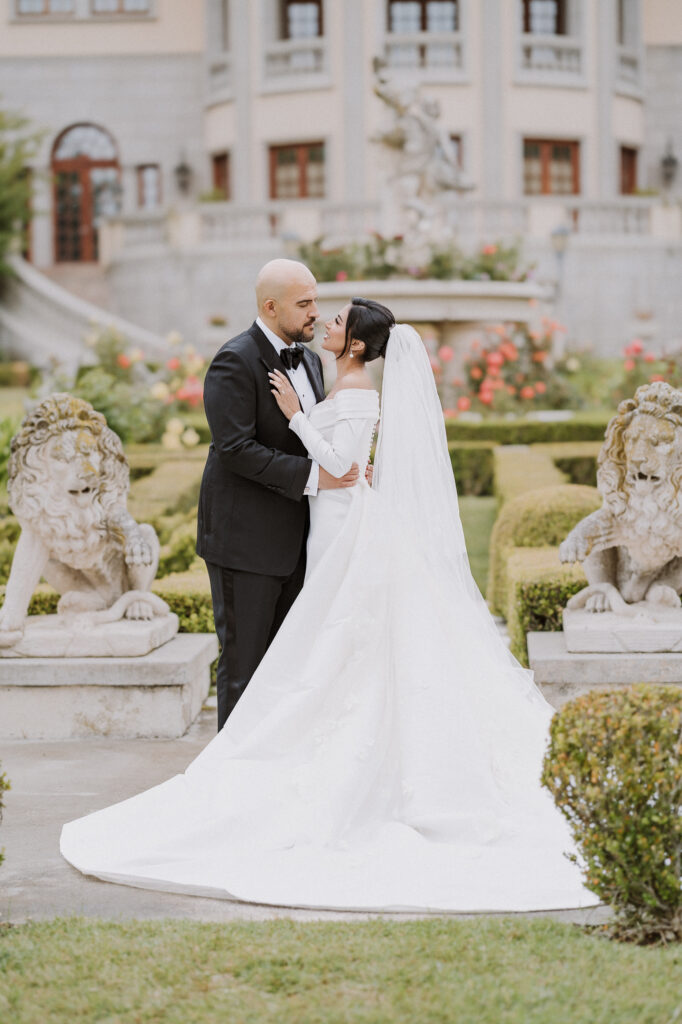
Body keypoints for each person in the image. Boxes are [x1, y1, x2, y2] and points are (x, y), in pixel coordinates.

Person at [60, 300, 600, 913]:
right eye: (320, 311)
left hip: (346, 525)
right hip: (331, 521)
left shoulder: (359, 390)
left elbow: (342, 466)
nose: (324, 323)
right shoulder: (339, 376)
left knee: (341, 640)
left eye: (337, 320)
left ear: (359, 348)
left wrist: (295, 417)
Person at [196, 259, 358, 729]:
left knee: (289, 668)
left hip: (301, 541)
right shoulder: (235, 359)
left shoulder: (309, 359)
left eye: (315, 300)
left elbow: (315, 435)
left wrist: (348, 462)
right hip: (245, 541)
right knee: (243, 670)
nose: (316, 313)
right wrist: (317, 476)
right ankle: (229, 779)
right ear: (270, 307)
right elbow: (235, 449)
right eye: (304, 304)